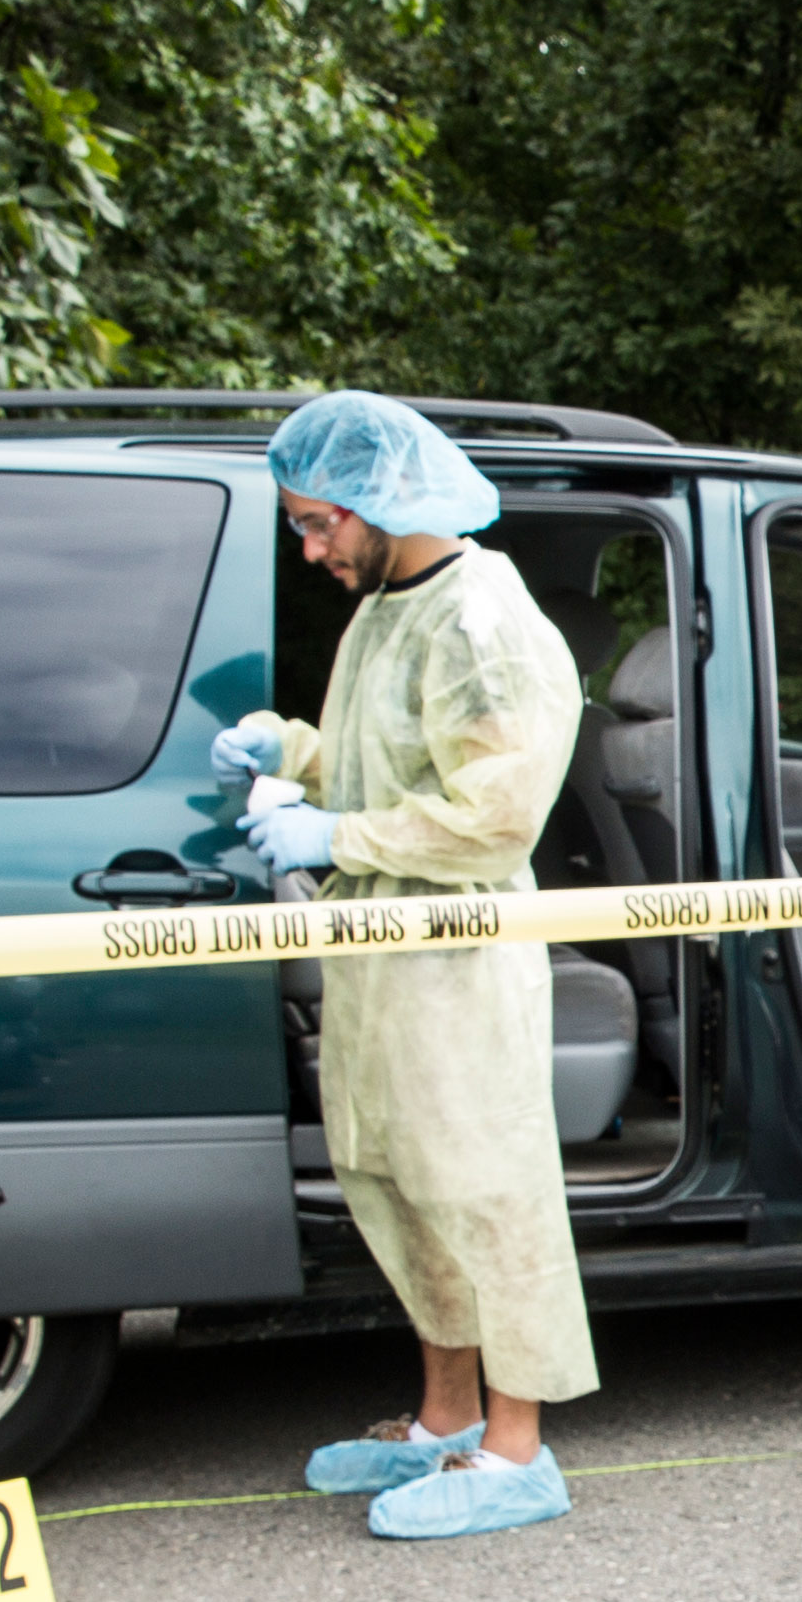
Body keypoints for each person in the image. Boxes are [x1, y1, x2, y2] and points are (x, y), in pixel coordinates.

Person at [219, 390, 598, 1541]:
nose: (311, 547)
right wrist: (292, 754)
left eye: (319, 521)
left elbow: (496, 811)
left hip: (458, 957)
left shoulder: (480, 615)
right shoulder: (387, 605)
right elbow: (379, 759)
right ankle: (443, 1425)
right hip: (386, 955)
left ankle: (517, 1450)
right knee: (400, 1187)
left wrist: (335, 837)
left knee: (486, 1194)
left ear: (384, 501)